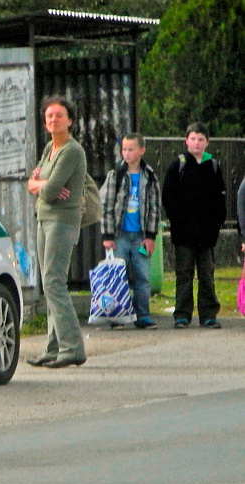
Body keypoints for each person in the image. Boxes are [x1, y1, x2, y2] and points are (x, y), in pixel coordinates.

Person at [26, 95, 87, 368]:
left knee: (54, 282)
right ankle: (54, 348)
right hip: (44, 218)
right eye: (49, 116)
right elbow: (33, 184)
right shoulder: (50, 147)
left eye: (59, 115)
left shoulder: (72, 151)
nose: (53, 120)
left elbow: (48, 190)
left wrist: (42, 184)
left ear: (70, 121)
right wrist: (41, 184)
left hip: (62, 221)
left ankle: (73, 347)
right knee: (48, 284)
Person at [161, 122, 227, 329]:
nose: (196, 143)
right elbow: (168, 197)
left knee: (207, 274)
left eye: (201, 139)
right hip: (183, 234)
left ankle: (208, 314)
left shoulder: (214, 166)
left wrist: (217, 223)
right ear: (186, 141)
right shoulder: (178, 165)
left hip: (207, 233)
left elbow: (221, 198)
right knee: (184, 274)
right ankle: (182, 314)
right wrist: (177, 222)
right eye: (193, 139)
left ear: (207, 142)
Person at [100, 133, 161, 329]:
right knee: (118, 275)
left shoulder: (150, 177)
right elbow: (107, 206)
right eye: (124, 149)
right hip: (120, 235)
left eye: (131, 149)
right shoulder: (115, 175)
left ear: (141, 151)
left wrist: (151, 237)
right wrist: (107, 235)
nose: (126, 153)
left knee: (143, 277)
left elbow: (154, 208)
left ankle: (142, 315)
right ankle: (117, 316)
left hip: (141, 237)